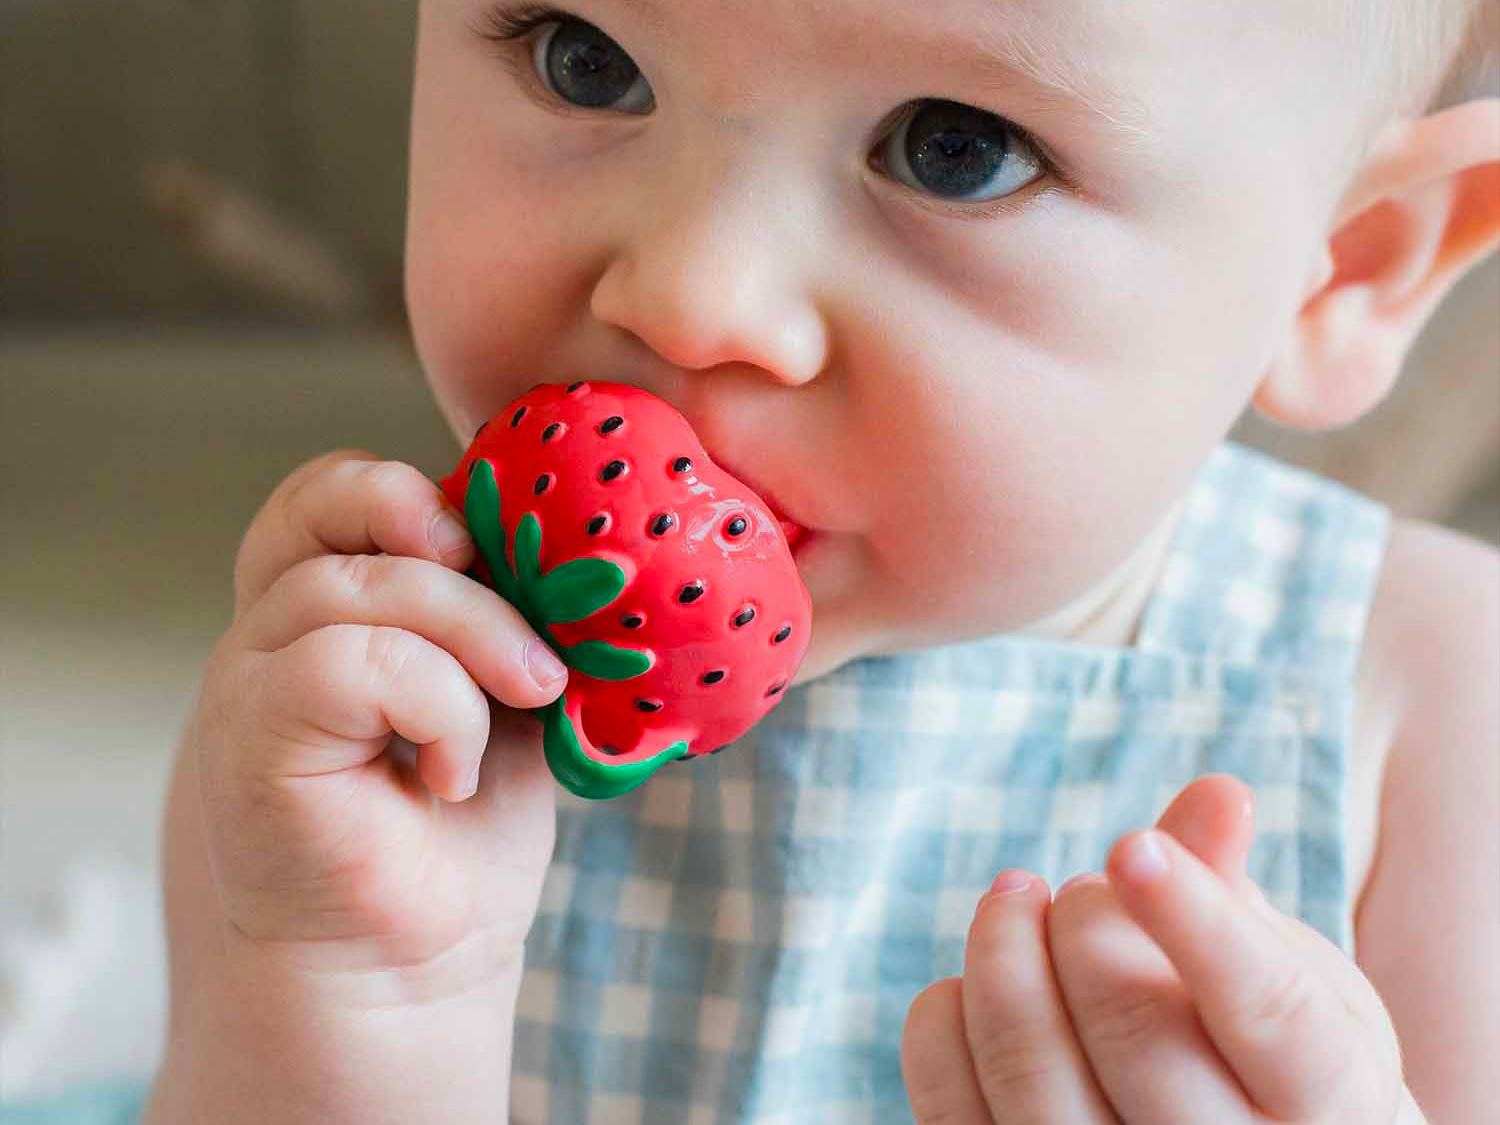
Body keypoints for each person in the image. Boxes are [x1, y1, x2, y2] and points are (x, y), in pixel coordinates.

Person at [130, 0, 1498, 1122]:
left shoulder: (1430, 713)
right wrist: (353, 986)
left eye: (957, 149)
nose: (690, 292)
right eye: (585, 60)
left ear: (1343, 270)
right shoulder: (363, 701)